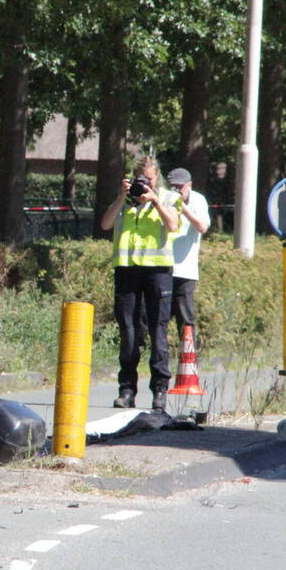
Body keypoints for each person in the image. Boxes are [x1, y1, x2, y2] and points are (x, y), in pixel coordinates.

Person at [99, 156, 181, 412]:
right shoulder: (125, 199)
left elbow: (173, 224)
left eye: (150, 178)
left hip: (158, 271)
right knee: (129, 332)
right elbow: (105, 224)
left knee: (158, 331)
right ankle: (127, 390)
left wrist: (155, 201)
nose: (145, 183)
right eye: (140, 178)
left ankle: (159, 390)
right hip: (127, 270)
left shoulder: (168, 198)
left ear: (157, 178)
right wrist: (122, 197)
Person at [165, 167, 210, 341]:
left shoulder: (198, 200)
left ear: (189, 185)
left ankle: (190, 360)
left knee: (185, 318)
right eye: (172, 187)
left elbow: (202, 227)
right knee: (157, 317)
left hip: (185, 271)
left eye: (179, 187)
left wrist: (182, 207)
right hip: (163, 267)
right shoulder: (163, 199)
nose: (175, 191)